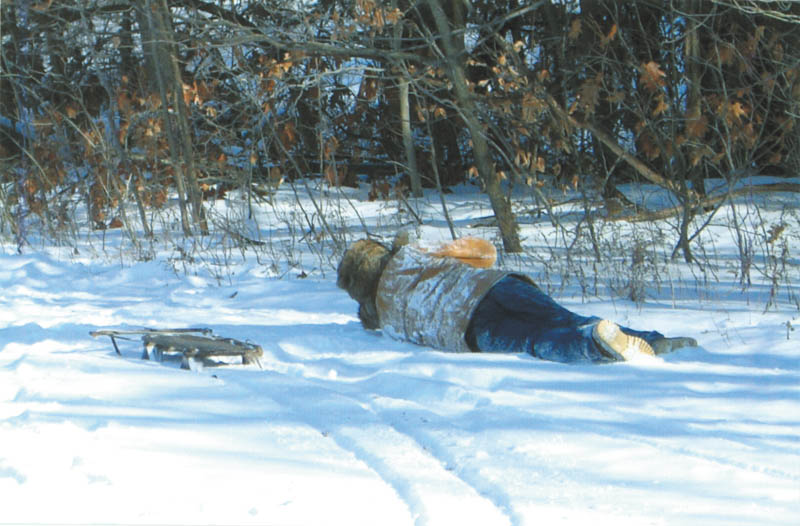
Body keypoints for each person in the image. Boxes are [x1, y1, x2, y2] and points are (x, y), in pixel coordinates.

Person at [337, 234, 697, 364]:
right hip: (489, 287)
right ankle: (654, 342)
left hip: (467, 329)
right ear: (380, 251)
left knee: (534, 341)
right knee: (563, 316)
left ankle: (597, 347)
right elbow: (483, 252)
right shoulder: (411, 255)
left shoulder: (384, 319)